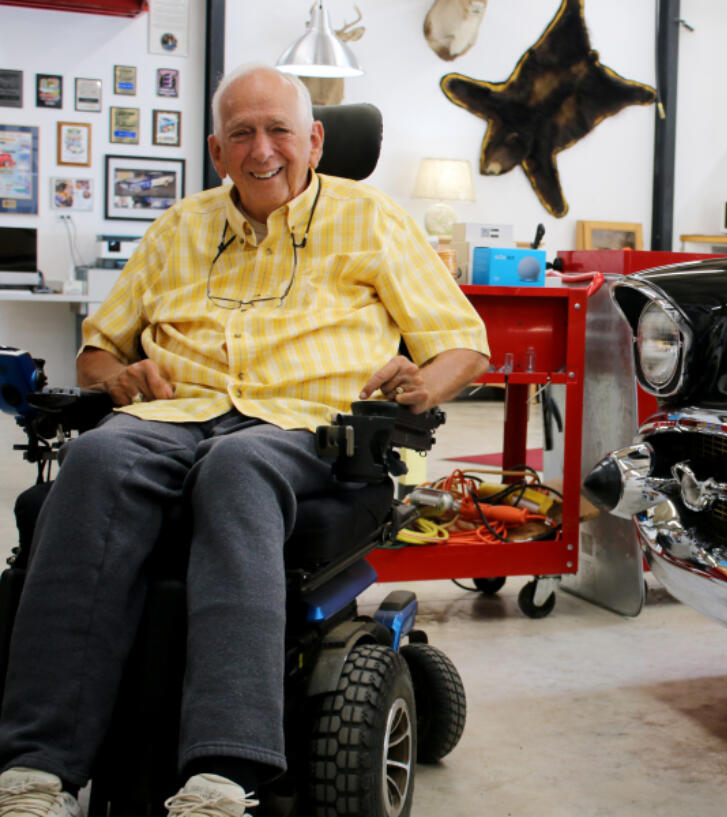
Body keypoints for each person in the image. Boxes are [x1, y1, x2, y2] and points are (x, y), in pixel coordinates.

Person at [0, 62, 489, 816]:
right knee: (94, 457)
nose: (262, 150)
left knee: (235, 466)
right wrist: (117, 376)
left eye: (278, 130)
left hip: (304, 425)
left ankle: (225, 773)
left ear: (315, 140)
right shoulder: (179, 226)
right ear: (216, 150)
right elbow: (97, 350)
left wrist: (425, 383)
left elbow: (462, 341)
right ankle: (38, 770)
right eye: (242, 134)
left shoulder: (372, 219)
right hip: (175, 413)